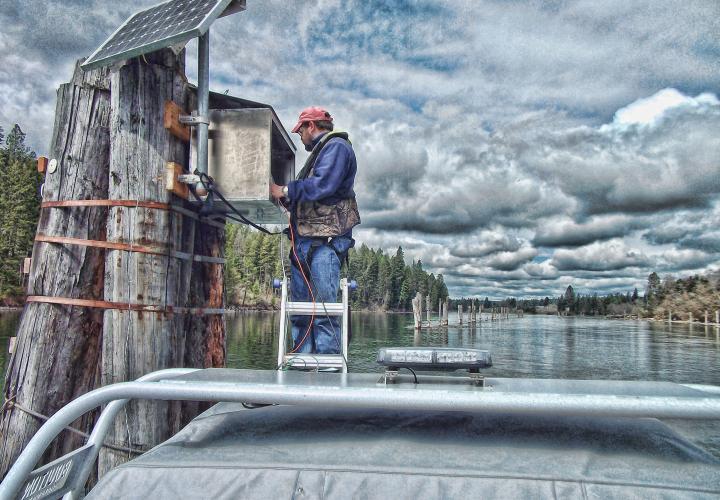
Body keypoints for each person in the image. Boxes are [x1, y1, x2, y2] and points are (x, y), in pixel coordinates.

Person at [270, 106, 360, 354]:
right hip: (305, 245)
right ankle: (302, 368)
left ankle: (328, 378)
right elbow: (313, 192)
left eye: (301, 131)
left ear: (311, 126)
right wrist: (288, 200)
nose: (300, 137)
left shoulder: (337, 147)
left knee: (323, 313)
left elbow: (323, 185)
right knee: (300, 314)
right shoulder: (323, 152)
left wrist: (284, 190)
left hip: (324, 244)